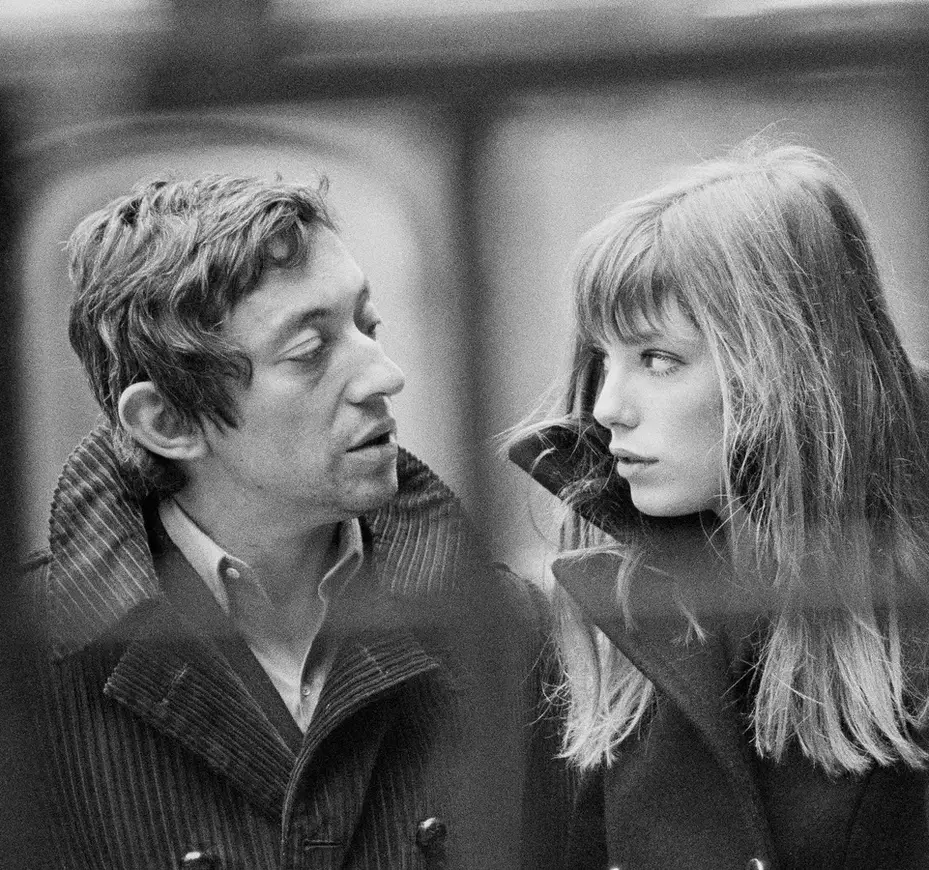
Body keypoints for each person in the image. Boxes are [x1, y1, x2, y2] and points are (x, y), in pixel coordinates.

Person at [508, 143, 929, 870]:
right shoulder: (633, 625)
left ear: (780, 374)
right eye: (603, 359)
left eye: (658, 360)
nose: (607, 407)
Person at [26, 174, 560, 870]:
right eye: (310, 352)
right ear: (168, 421)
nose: (385, 375)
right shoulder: (27, 665)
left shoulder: (507, 629)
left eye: (368, 325)